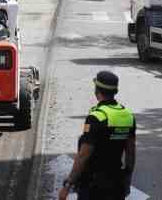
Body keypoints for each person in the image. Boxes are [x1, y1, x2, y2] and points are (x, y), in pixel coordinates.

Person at [58, 71, 136, 200]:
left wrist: (68, 184)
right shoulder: (128, 116)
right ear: (115, 91)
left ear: (97, 91)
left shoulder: (96, 117)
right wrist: (127, 179)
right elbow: (130, 153)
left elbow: (84, 154)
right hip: (116, 182)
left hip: (93, 185)